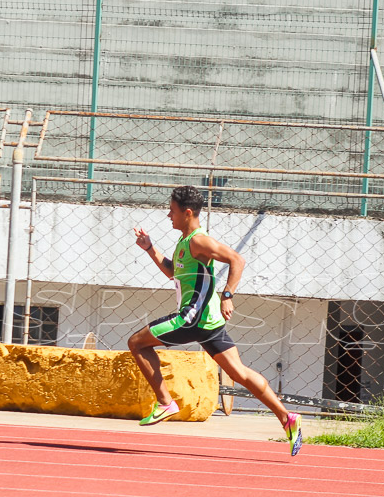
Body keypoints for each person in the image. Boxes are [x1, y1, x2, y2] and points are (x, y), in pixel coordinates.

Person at [127, 185, 303, 456]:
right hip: (208, 322)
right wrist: (150, 248)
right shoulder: (185, 243)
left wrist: (228, 295)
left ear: (187, 213)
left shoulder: (199, 240)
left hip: (192, 318)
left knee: (136, 343)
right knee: (238, 373)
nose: (168, 216)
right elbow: (173, 273)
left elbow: (237, 260)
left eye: (172, 211)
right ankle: (287, 418)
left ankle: (165, 402)